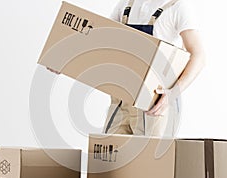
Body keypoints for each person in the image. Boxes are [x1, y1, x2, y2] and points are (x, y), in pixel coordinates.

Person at [48, 0, 205, 136]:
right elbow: (102, 40)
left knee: (150, 166)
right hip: (120, 100)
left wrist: (173, 93)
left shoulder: (177, 6)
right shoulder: (127, 4)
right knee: (109, 162)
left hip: (154, 106)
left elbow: (199, 55)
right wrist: (68, 61)